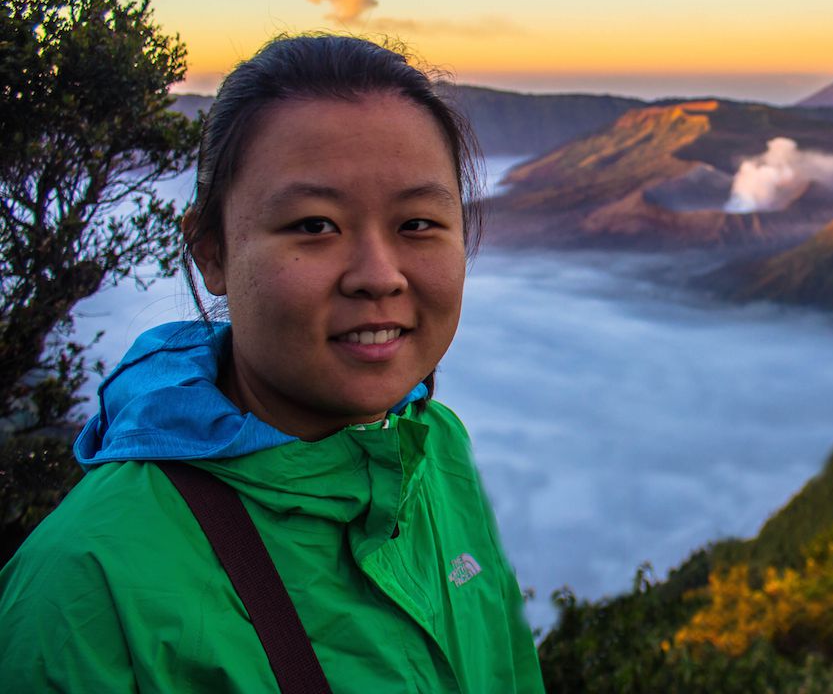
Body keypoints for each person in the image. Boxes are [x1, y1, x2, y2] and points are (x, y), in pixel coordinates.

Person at [0, 36, 546, 692]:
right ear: (211, 251)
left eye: (419, 224)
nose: (379, 276)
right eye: (315, 226)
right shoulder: (84, 588)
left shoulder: (436, 448)